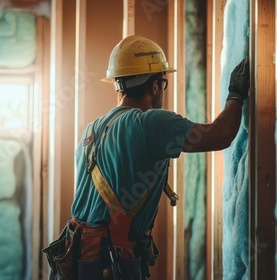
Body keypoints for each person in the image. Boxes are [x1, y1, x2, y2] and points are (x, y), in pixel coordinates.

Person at [44, 35, 249, 280]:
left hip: (76, 259)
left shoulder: (91, 131)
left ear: (118, 85)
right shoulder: (149, 123)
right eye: (162, 83)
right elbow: (220, 135)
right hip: (108, 265)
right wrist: (236, 94)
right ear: (154, 86)